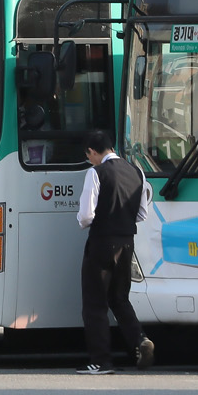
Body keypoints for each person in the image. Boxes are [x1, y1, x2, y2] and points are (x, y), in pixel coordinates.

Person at [75, 129, 155, 374]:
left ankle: (100, 361)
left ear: (92, 151)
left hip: (101, 242)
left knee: (94, 303)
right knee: (120, 299)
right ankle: (140, 340)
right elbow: (142, 213)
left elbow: (86, 216)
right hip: (127, 242)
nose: (90, 159)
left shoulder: (95, 173)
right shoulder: (136, 172)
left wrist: (86, 220)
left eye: (89, 155)